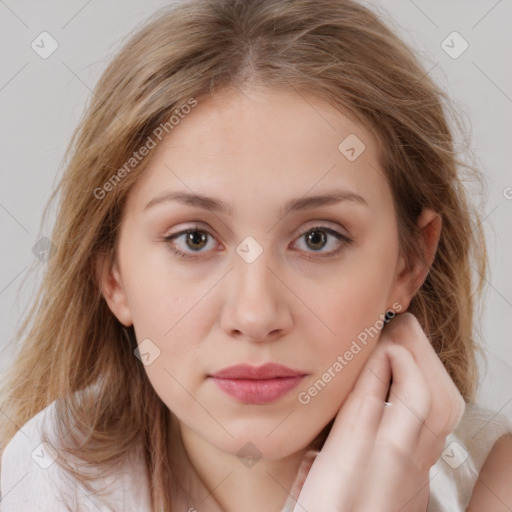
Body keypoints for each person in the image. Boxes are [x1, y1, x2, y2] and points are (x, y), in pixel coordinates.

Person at [1, 0, 511, 510]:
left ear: (409, 262)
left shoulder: (495, 484)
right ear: (113, 277)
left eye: (318, 238)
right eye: (194, 239)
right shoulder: (34, 482)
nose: (256, 314)